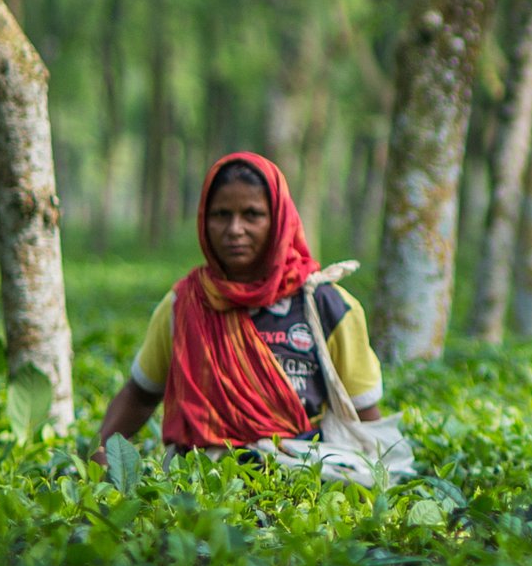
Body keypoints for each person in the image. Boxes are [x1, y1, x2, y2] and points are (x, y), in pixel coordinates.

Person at [97, 151, 384, 460]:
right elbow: (140, 394)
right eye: (221, 214)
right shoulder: (184, 304)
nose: (234, 229)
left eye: (252, 214)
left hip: (301, 484)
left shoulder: (327, 305)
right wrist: (101, 451)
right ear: (204, 219)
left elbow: (363, 414)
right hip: (201, 488)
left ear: (279, 220)